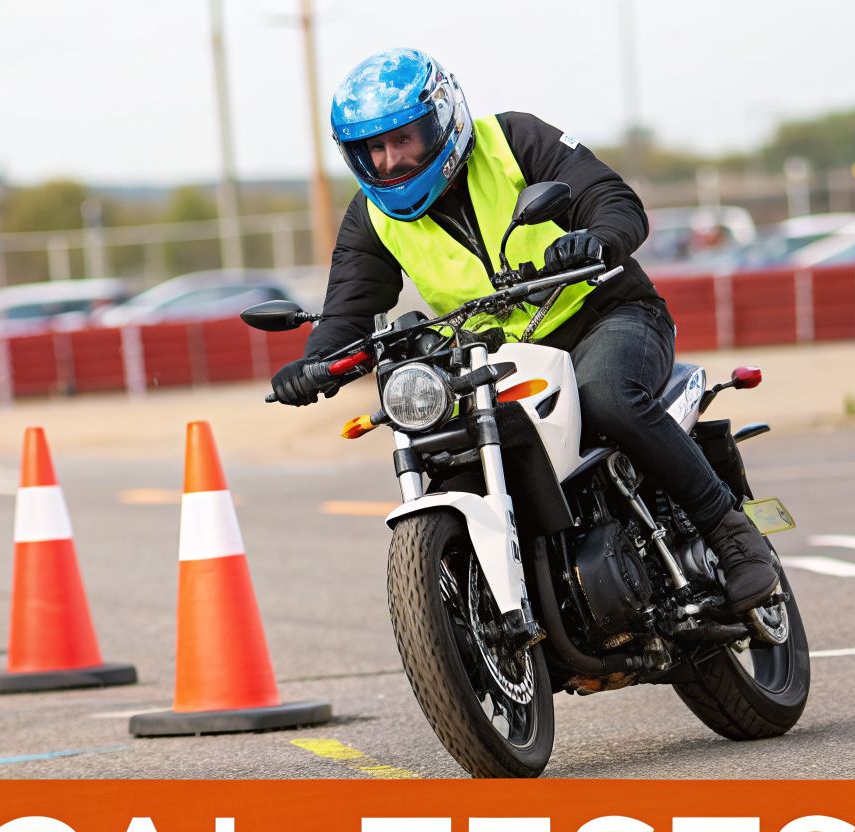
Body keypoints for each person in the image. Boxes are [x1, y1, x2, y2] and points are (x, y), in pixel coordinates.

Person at [270, 48, 777, 614]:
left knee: (607, 397)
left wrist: (596, 239)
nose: (390, 161)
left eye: (403, 139)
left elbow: (612, 200)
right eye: (374, 149)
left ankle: (731, 534)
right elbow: (348, 309)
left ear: (442, 119)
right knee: (448, 442)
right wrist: (316, 363)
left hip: (604, 316)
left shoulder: (514, 140)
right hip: (499, 358)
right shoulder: (371, 215)